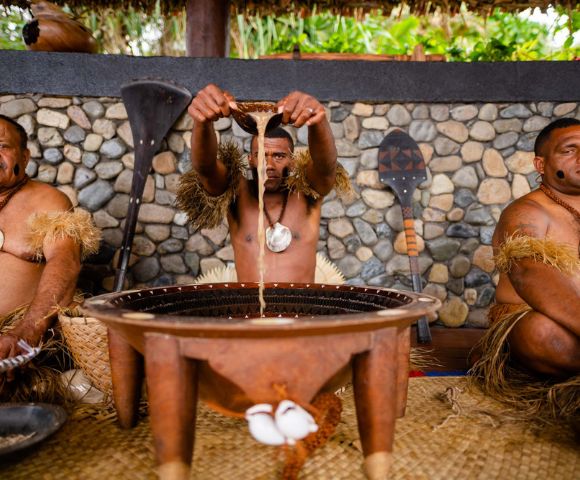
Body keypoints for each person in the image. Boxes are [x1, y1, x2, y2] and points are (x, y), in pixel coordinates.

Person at [176, 84, 352, 283]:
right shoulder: (237, 194)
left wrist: (317, 120)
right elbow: (206, 169)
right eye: (261, 155)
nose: (268, 165)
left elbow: (326, 168)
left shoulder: (307, 196)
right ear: (250, 159)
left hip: (301, 310)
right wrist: (203, 122)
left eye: (278, 156)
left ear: (293, 160)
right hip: (250, 312)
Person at [471, 117, 579, 424]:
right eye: (570, 150)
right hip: (533, 318)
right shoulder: (526, 211)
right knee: (541, 333)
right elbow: (527, 272)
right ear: (541, 165)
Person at [0, 114, 100, 400]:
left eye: (2, 145)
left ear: (25, 156)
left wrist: (27, 330)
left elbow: (65, 262)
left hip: (19, 334)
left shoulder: (48, 201)